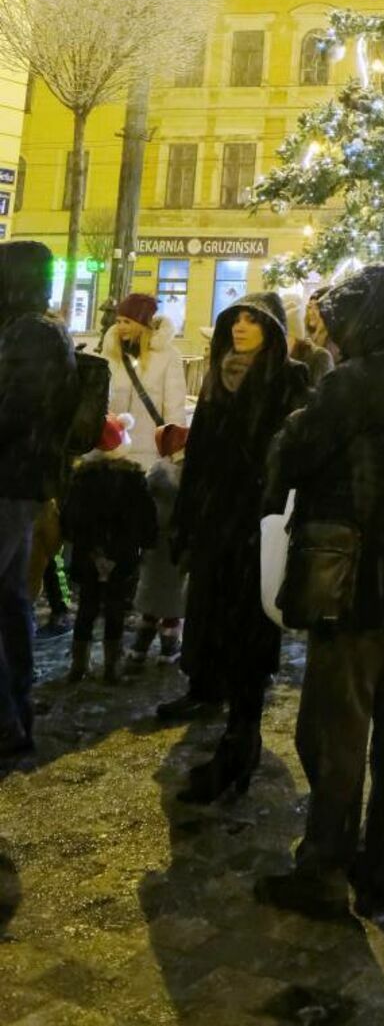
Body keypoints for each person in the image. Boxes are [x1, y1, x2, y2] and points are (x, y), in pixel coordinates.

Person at [255, 265, 384, 920]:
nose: (335, 339)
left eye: (341, 326)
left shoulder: (351, 383)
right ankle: (380, 858)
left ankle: (323, 866)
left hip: (353, 576)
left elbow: (292, 452)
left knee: (334, 727)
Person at [161, 298, 308, 801]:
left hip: (257, 523)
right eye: (234, 320)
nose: (241, 328)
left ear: (270, 330)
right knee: (208, 610)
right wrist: (187, 515)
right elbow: (201, 449)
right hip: (214, 519)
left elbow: (289, 455)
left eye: (252, 321)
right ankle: (204, 688)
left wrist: (269, 508)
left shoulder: (289, 377)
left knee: (249, 628)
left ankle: (242, 732)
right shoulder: (218, 374)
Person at [0, 241, 80, 761]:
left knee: (10, 603)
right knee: (10, 603)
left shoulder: (30, 334)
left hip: (9, 483)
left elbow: (13, 413)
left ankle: (7, 721)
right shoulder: (33, 330)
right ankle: (14, 715)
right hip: (19, 484)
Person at [59, 412, 157, 684]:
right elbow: (145, 518)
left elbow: (70, 519)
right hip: (122, 555)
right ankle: (112, 668)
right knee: (115, 609)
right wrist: (144, 544)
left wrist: (89, 547)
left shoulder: (82, 479)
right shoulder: (133, 479)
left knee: (86, 608)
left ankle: (78, 666)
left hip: (88, 554)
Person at [100, 291, 190, 468]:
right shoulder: (111, 354)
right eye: (118, 321)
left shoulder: (168, 356)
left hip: (148, 452)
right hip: (111, 448)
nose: (121, 326)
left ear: (143, 324)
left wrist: (175, 449)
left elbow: (174, 406)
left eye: (127, 321)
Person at [127, 422, 189, 670]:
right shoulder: (189, 475)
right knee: (173, 606)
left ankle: (139, 648)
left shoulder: (155, 473)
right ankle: (169, 649)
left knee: (150, 604)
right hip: (176, 547)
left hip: (154, 547)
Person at [289, 288, 334, 388]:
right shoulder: (303, 337)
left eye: (317, 308)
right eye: (309, 307)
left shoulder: (335, 342)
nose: (311, 313)